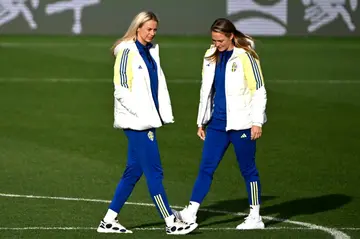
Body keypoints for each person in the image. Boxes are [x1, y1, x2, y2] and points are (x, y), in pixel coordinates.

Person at [97, 11, 198, 235]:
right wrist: (141, 115)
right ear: (137, 28)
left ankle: (108, 221)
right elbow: (120, 90)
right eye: (148, 29)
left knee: (133, 171)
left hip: (147, 119)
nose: (152, 33)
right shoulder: (127, 51)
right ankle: (171, 221)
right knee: (154, 172)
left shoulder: (150, 51)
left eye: (155, 30)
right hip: (136, 122)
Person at [173, 18, 267, 230]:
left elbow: (258, 90)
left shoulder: (246, 57)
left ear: (231, 36)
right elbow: (206, 91)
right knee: (206, 168)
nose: (216, 44)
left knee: (248, 169)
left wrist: (257, 122)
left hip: (242, 124)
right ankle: (191, 212)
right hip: (217, 124)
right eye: (213, 40)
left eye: (220, 40)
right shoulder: (209, 56)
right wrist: (201, 121)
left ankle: (255, 217)